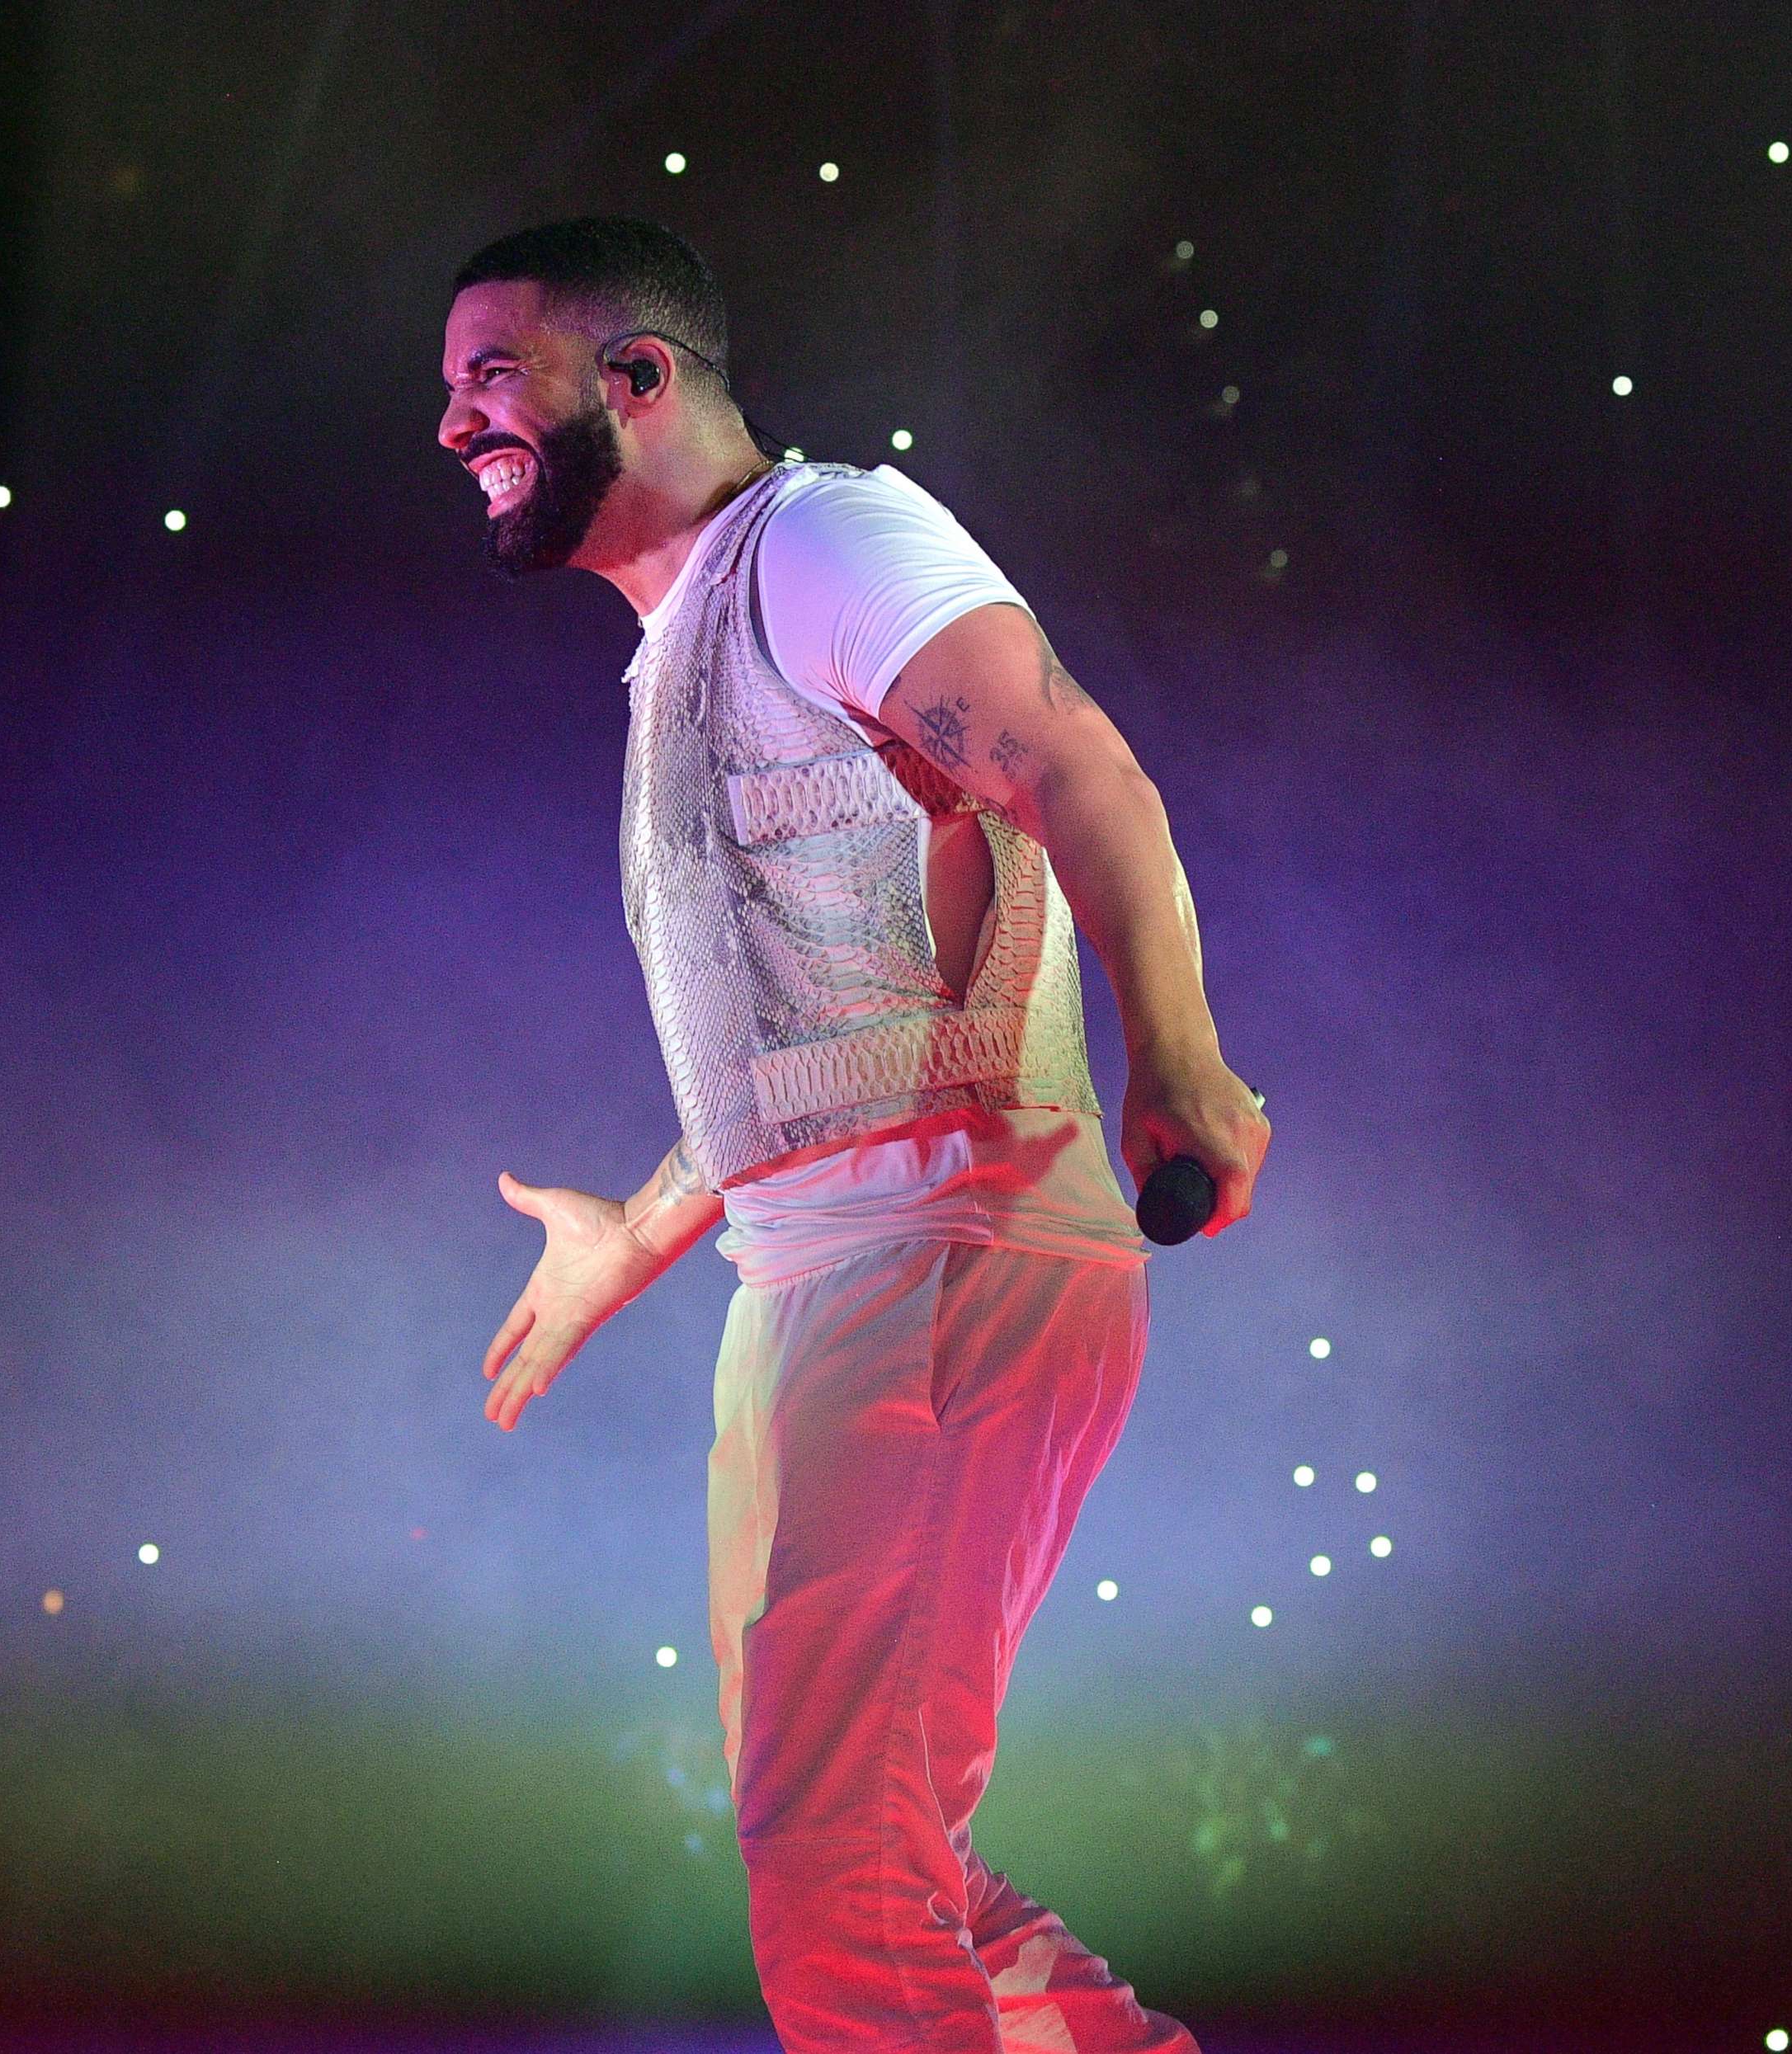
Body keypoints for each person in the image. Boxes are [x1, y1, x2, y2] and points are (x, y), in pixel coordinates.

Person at [448, 218, 1268, 2054]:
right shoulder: (679, 647)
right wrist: (644, 1234)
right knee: (867, 1851)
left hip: (949, 1258)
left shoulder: (825, 540)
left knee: (844, 1883)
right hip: (829, 1271)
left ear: (637, 380)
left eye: (492, 379)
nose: (452, 428)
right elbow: (827, 1041)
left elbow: (1076, 766)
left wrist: (1182, 1061)